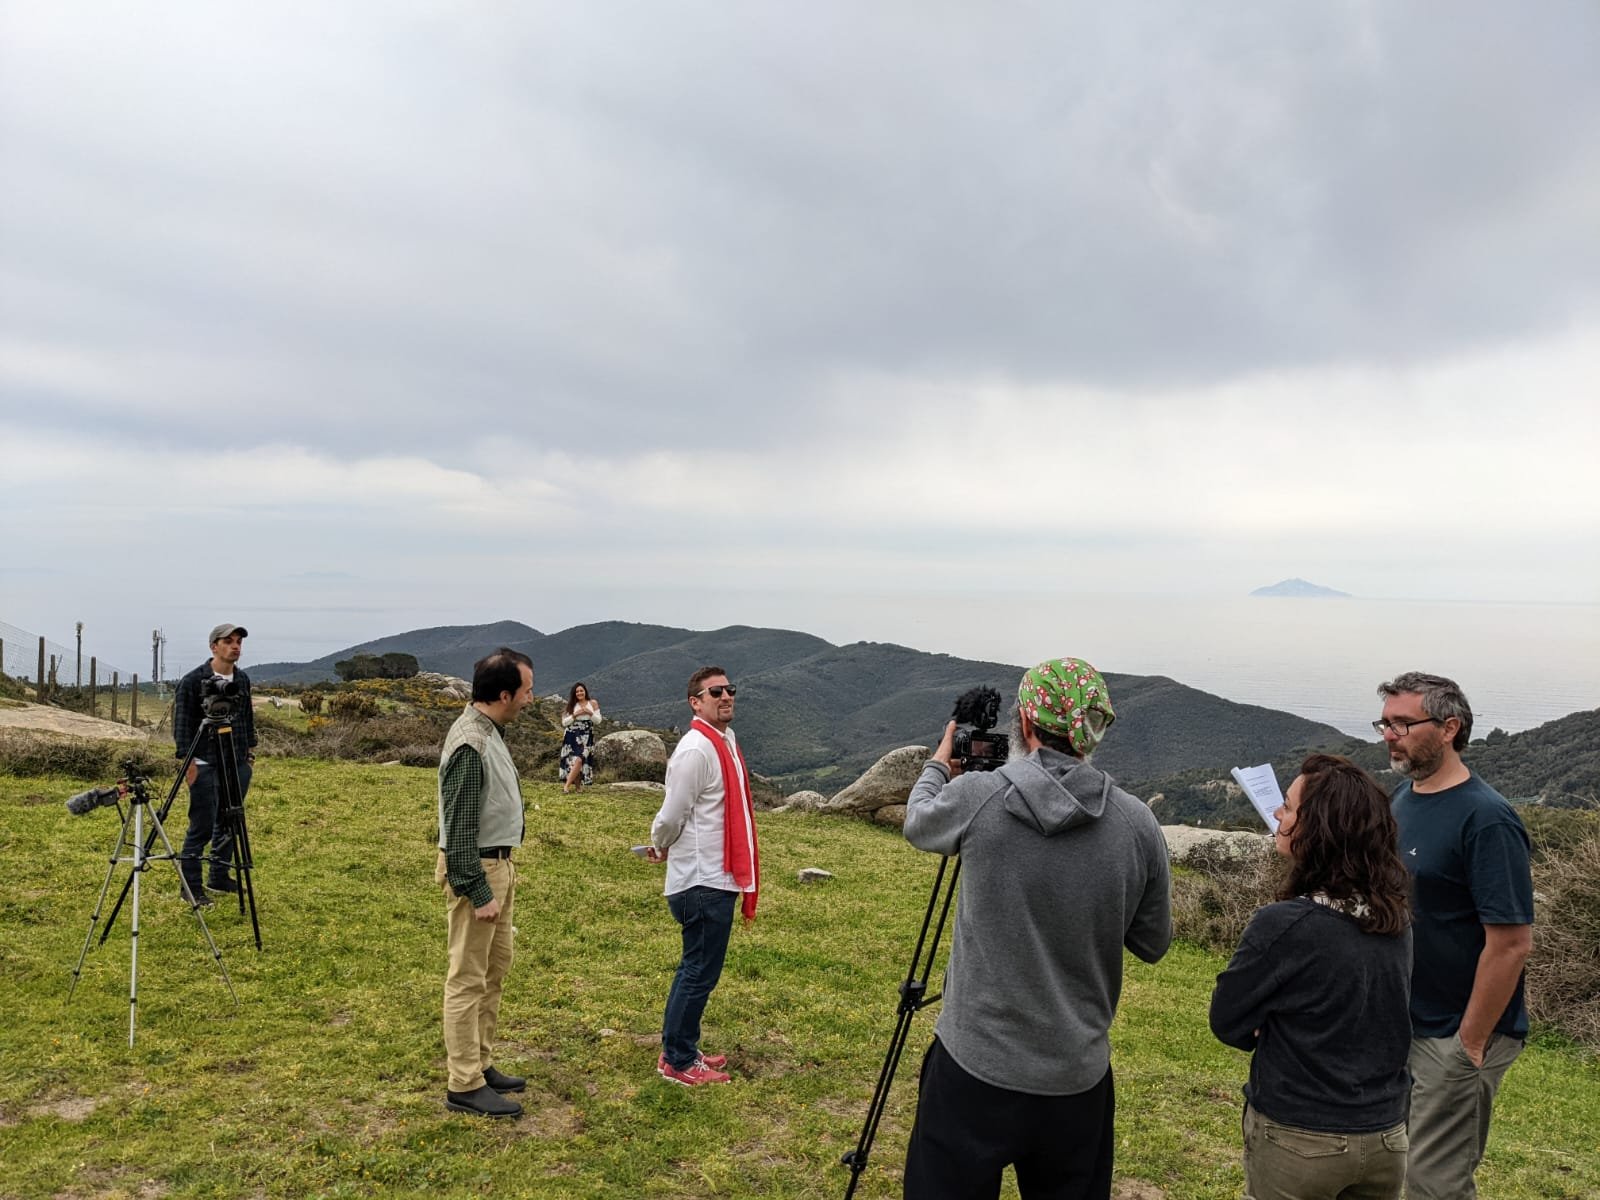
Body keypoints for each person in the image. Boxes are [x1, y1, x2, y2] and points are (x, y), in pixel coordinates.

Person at [900, 658, 1171, 1200]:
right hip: (1076, 1077)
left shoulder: (980, 798)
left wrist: (939, 764)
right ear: (1094, 729)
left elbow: (918, 821)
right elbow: (1152, 942)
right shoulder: (1137, 822)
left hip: (973, 1064)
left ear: (1025, 722)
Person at [1209, 754, 1414, 1200]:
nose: (1279, 816)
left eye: (1287, 806)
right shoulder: (1395, 921)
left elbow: (1227, 1019)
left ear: (1315, 829)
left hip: (1300, 1136)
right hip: (1385, 1133)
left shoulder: (1284, 925)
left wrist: (1273, 1026)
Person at [1377, 672, 1534, 1200]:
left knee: (1431, 1185)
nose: (1389, 734)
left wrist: (1470, 1041)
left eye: (1403, 722)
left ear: (1449, 727)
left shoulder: (1487, 819)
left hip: (1455, 1033)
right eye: (1385, 722)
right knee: (1393, 1169)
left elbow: (1511, 942)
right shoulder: (1403, 798)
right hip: (1406, 1020)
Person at [644, 666, 759, 1087]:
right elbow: (672, 812)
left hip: (715, 875)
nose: (726, 696)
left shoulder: (723, 742)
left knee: (699, 969)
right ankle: (677, 1059)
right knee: (698, 971)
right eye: (715, 692)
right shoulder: (696, 749)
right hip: (702, 879)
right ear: (696, 701)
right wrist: (660, 842)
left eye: (730, 689)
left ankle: (684, 1047)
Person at [437, 647, 536, 1118]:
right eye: (527, 690)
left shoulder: (490, 731)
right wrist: (478, 892)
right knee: (467, 977)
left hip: (499, 865)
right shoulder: (470, 745)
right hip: (479, 868)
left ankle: (481, 1062)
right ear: (503, 694)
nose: (531, 699)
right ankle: (463, 1083)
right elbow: (457, 830)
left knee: (494, 970)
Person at [172, 623, 257, 907]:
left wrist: (249, 754)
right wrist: (189, 763)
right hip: (205, 760)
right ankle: (191, 886)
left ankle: (219, 875)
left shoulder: (242, 680)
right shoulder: (192, 681)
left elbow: (246, 719)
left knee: (231, 821)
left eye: (238, 642)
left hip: (236, 760)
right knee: (202, 825)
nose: (235, 646)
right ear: (214, 646)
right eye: (228, 641)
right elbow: (182, 726)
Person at [559, 682, 602, 792]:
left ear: (585, 691)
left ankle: (566, 786)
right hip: (572, 734)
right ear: (574, 693)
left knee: (579, 759)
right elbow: (564, 723)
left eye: (581, 690)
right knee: (575, 761)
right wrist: (575, 715)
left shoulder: (592, 703)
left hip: (587, 735)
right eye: (577, 691)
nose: (579, 693)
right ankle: (577, 788)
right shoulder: (571, 705)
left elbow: (598, 721)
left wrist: (590, 713)